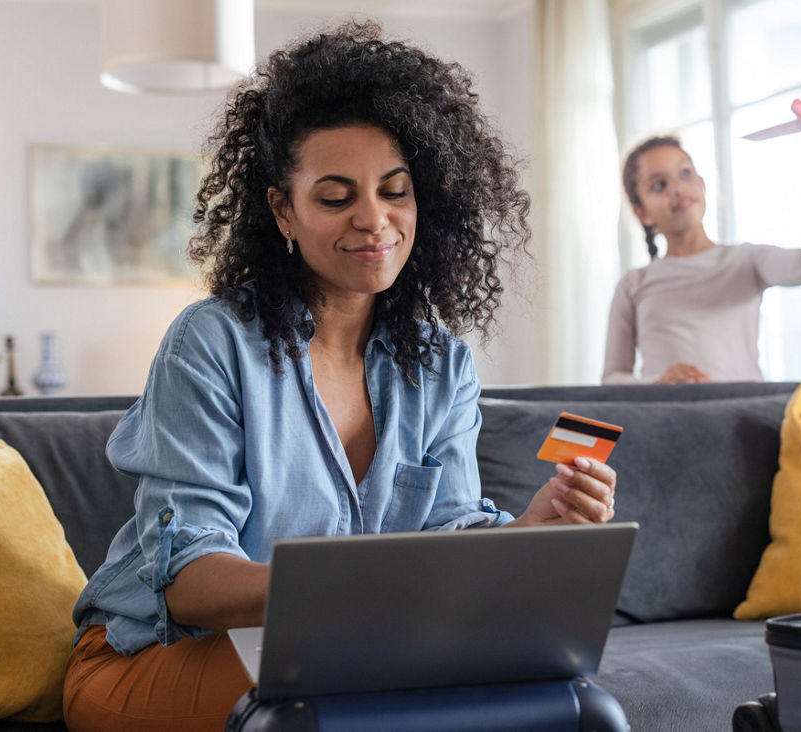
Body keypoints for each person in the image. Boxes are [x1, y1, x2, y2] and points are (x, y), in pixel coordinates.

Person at [62, 23, 618, 732]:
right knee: (331, 704)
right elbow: (189, 581)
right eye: (335, 197)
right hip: (147, 657)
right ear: (282, 210)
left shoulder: (441, 364)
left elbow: (447, 531)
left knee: (579, 704)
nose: (374, 219)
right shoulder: (211, 344)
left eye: (395, 191)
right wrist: (346, 599)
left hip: (347, 648)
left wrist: (536, 529)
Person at [602, 116, 801, 384]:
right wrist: (657, 384)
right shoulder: (633, 285)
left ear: (702, 184)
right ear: (642, 213)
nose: (677, 188)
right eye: (659, 185)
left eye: (685, 173)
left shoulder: (746, 260)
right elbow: (613, 377)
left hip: (743, 415)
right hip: (670, 419)